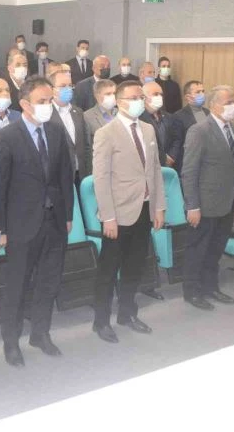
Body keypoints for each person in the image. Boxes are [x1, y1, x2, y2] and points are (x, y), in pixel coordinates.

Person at [0, 76, 74, 366]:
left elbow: (65, 176)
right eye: (42, 101)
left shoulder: (56, 131)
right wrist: (1, 228)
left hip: (54, 220)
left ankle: (40, 333)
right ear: (25, 104)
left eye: (50, 100)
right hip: (21, 225)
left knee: (49, 281)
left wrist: (68, 215)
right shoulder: (7, 137)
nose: (48, 105)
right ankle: (11, 341)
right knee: (18, 285)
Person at [92, 80, 166, 342]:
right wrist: (108, 217)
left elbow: (155, 170)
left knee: (135, 266)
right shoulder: (106, 133)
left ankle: (127, 313)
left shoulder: (148, 129)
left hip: (144, 209)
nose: (139, 102)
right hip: (118, 214)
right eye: (134, 98)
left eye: (141, 97)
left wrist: (159, 207)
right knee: (108, 270)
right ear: (120, 101)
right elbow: (101, 179)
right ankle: (101, 321)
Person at [181, 85, 234, 310]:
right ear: (214, 105)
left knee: (216, 249)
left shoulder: (232, 129)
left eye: (233, 101)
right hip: (204, 204)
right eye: (228, 102)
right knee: (197, 250)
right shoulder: (200, 131)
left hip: (227, 201)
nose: (232, 106)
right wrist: (192, 206)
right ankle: (192, 291)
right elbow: (189, 171)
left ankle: (210, 287)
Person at [49, 64, 91, 185]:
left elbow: (86, 145)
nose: (67, 89)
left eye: (70, 85)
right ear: (52, 89)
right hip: (58, 178)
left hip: (81, 175)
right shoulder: (47, 115)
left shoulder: (78, 112)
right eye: (63, 86)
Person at [171, 80, 209, 172]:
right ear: (188, 97)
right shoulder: (179, 116)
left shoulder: (208, 113)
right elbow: (178, 142)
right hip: (189, 163)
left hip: (207, 162)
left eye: (203, 91)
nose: (202, 94)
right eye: (198, 92)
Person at [140, 81, 178, 168]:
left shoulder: (169, 117)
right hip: (149, 164)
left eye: (161, 94)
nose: (159, 97)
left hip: (169, 164)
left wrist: (172, 156)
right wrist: (162, 158)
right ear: (144, 97)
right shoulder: (139, 118)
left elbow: (177, 138)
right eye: (155, 94)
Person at [83, 79, 117, 147]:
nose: (113, 96)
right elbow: (87, 145)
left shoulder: (121, 112)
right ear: (97, 95)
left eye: (114, 93)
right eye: (108, 94)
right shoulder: (87, 116)